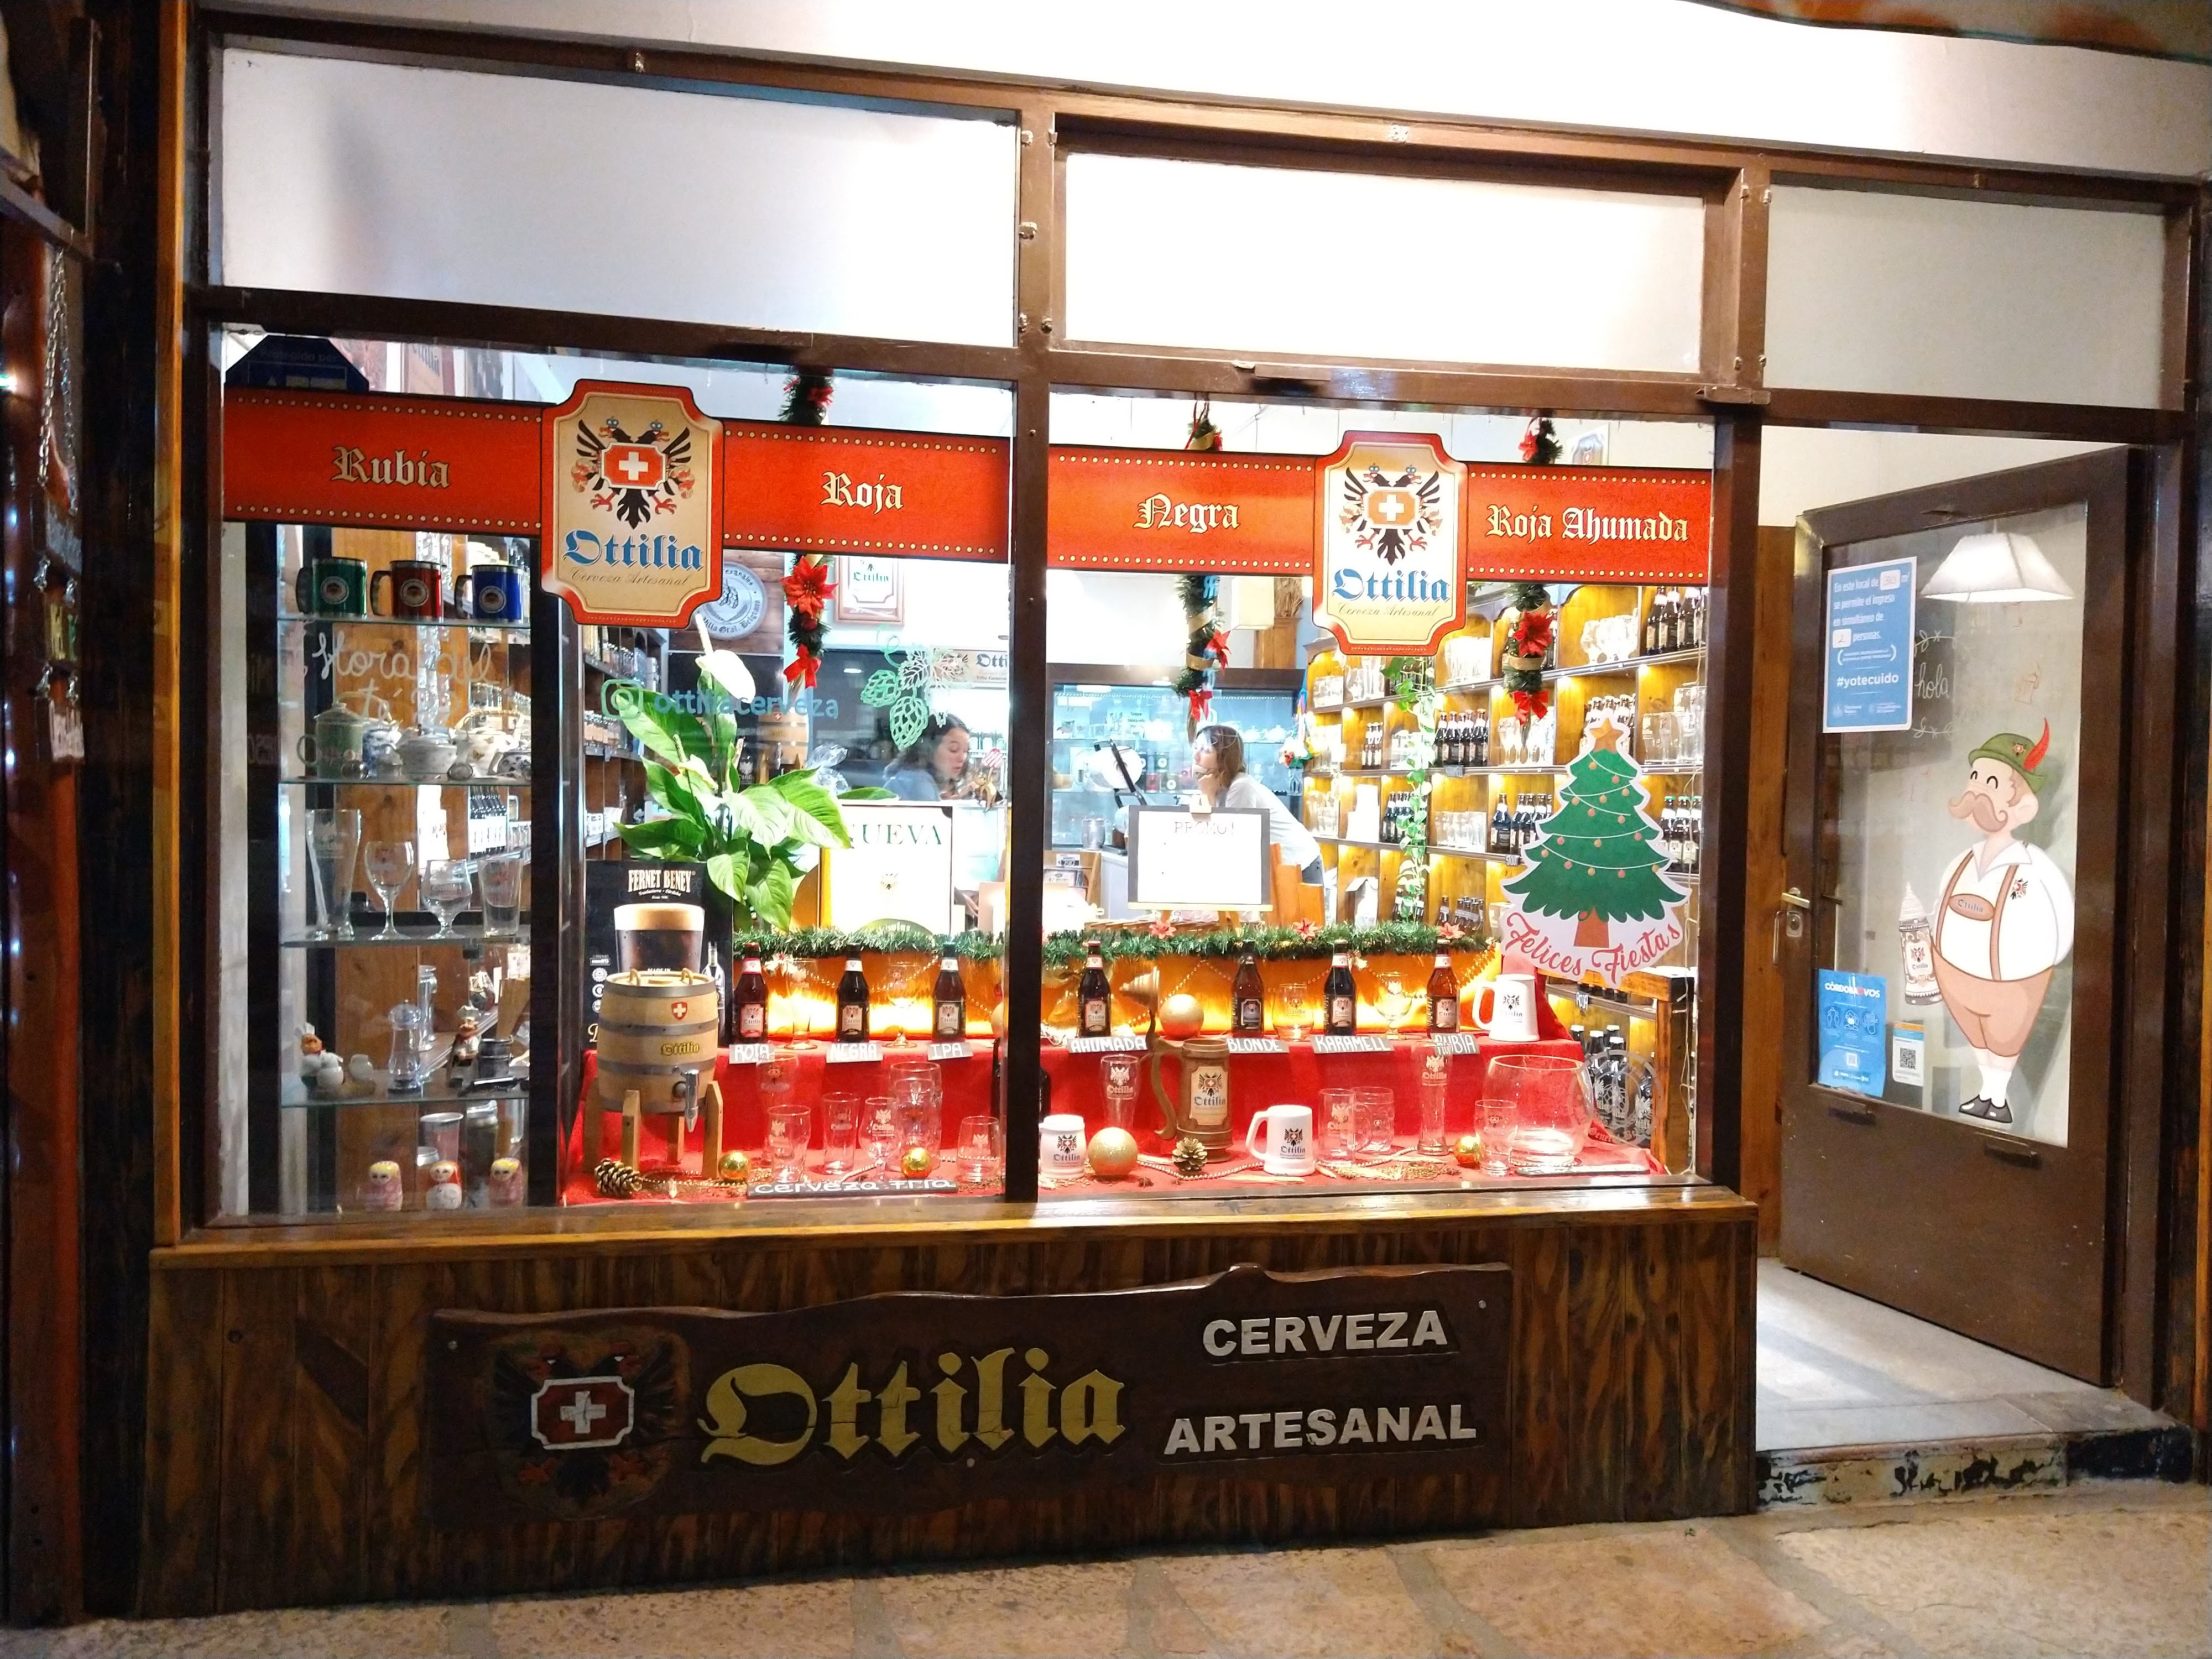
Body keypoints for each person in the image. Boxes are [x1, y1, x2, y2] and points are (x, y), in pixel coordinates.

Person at [1928, 722, 2073, 1126]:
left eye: (1991, 783)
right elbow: (1941, 903)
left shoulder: (2035, 865)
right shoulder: (1961, 861)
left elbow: (2062, 919)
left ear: (2023, 807)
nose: (1977, 792)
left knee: (2005, 1040)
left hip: (2012, 986)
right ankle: (1989, 1093)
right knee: (1978, 1039)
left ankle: (1997, 1097)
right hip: (1956, 976)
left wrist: (2038, 962)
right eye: (1975, 778)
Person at [1190, 723, 1323, 884]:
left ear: (1224, 757)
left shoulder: (1241, 786)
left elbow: (1227, 843)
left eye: (1205, 750)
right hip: (1276, 867)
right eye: (1196, 748)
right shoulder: (1215, 785)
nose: (1196, 756)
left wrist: (1208, 796)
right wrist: (1207, 794)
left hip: (1300, 864)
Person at [883, 713, 972, 801]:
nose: (962, 758)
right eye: (954, 749)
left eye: (966, 750)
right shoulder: (917, 781)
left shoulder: (916, 777)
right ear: (930, 748)